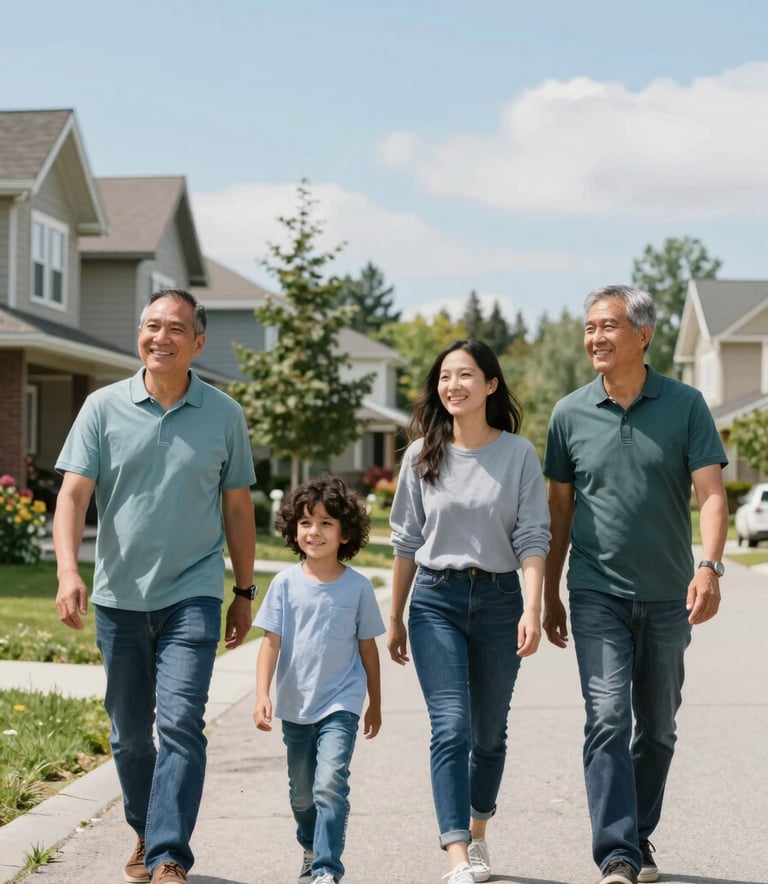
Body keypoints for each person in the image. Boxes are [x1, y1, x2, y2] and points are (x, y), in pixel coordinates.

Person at [53, 289, 257, 884]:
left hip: (193, 591)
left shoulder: (224, 414)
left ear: (198, 342)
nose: (160, 337)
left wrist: (243, 593)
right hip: (119, 596)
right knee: (128, 732)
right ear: (139, 334)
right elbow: (72, 496)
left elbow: (239, 511)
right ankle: (146, 827)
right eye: (151, 326)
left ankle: (169, 854)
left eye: (175, 328)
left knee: (180, 723)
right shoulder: (102, 407)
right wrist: (69, 570)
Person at [542, 285, 728, 884]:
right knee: (607, 718)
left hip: (669, 594)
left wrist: (710, 565)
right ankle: (617, 853)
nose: (595, 337)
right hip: (596, 592)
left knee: (659, 725)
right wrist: (548, 593)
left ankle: (639, 834)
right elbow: (560, 513)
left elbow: (712, 495)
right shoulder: (568, 414)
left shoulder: (686, 405)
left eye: (609, 326)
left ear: (642, 335)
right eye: (590, 326)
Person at [387, 339, 550, 884]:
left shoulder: (518, 454)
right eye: (444, 377)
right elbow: (406, 540)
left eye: (465, 375)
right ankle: (456, 852)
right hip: (436, 599)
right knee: (450, 727)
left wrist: (533, 606)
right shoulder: (419, 455)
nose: (452, 386)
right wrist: (394, 615)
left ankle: (478, 835)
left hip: (503, 601)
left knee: (489, 733)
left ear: (491, 385)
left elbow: (532, 536)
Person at [253, 475, 384, 884]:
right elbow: (270, 644)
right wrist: (261, 694)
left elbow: (368, 650)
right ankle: (310, 847)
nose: (316, 531)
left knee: (330, 785)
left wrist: (374, 703)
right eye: (307, 522)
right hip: (295, 703)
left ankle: (327, 867)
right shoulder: (284, 585)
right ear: (294, 529)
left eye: (327, 523)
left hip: (341, 702)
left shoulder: (358, 587)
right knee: (302, 793)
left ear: (346, 533)